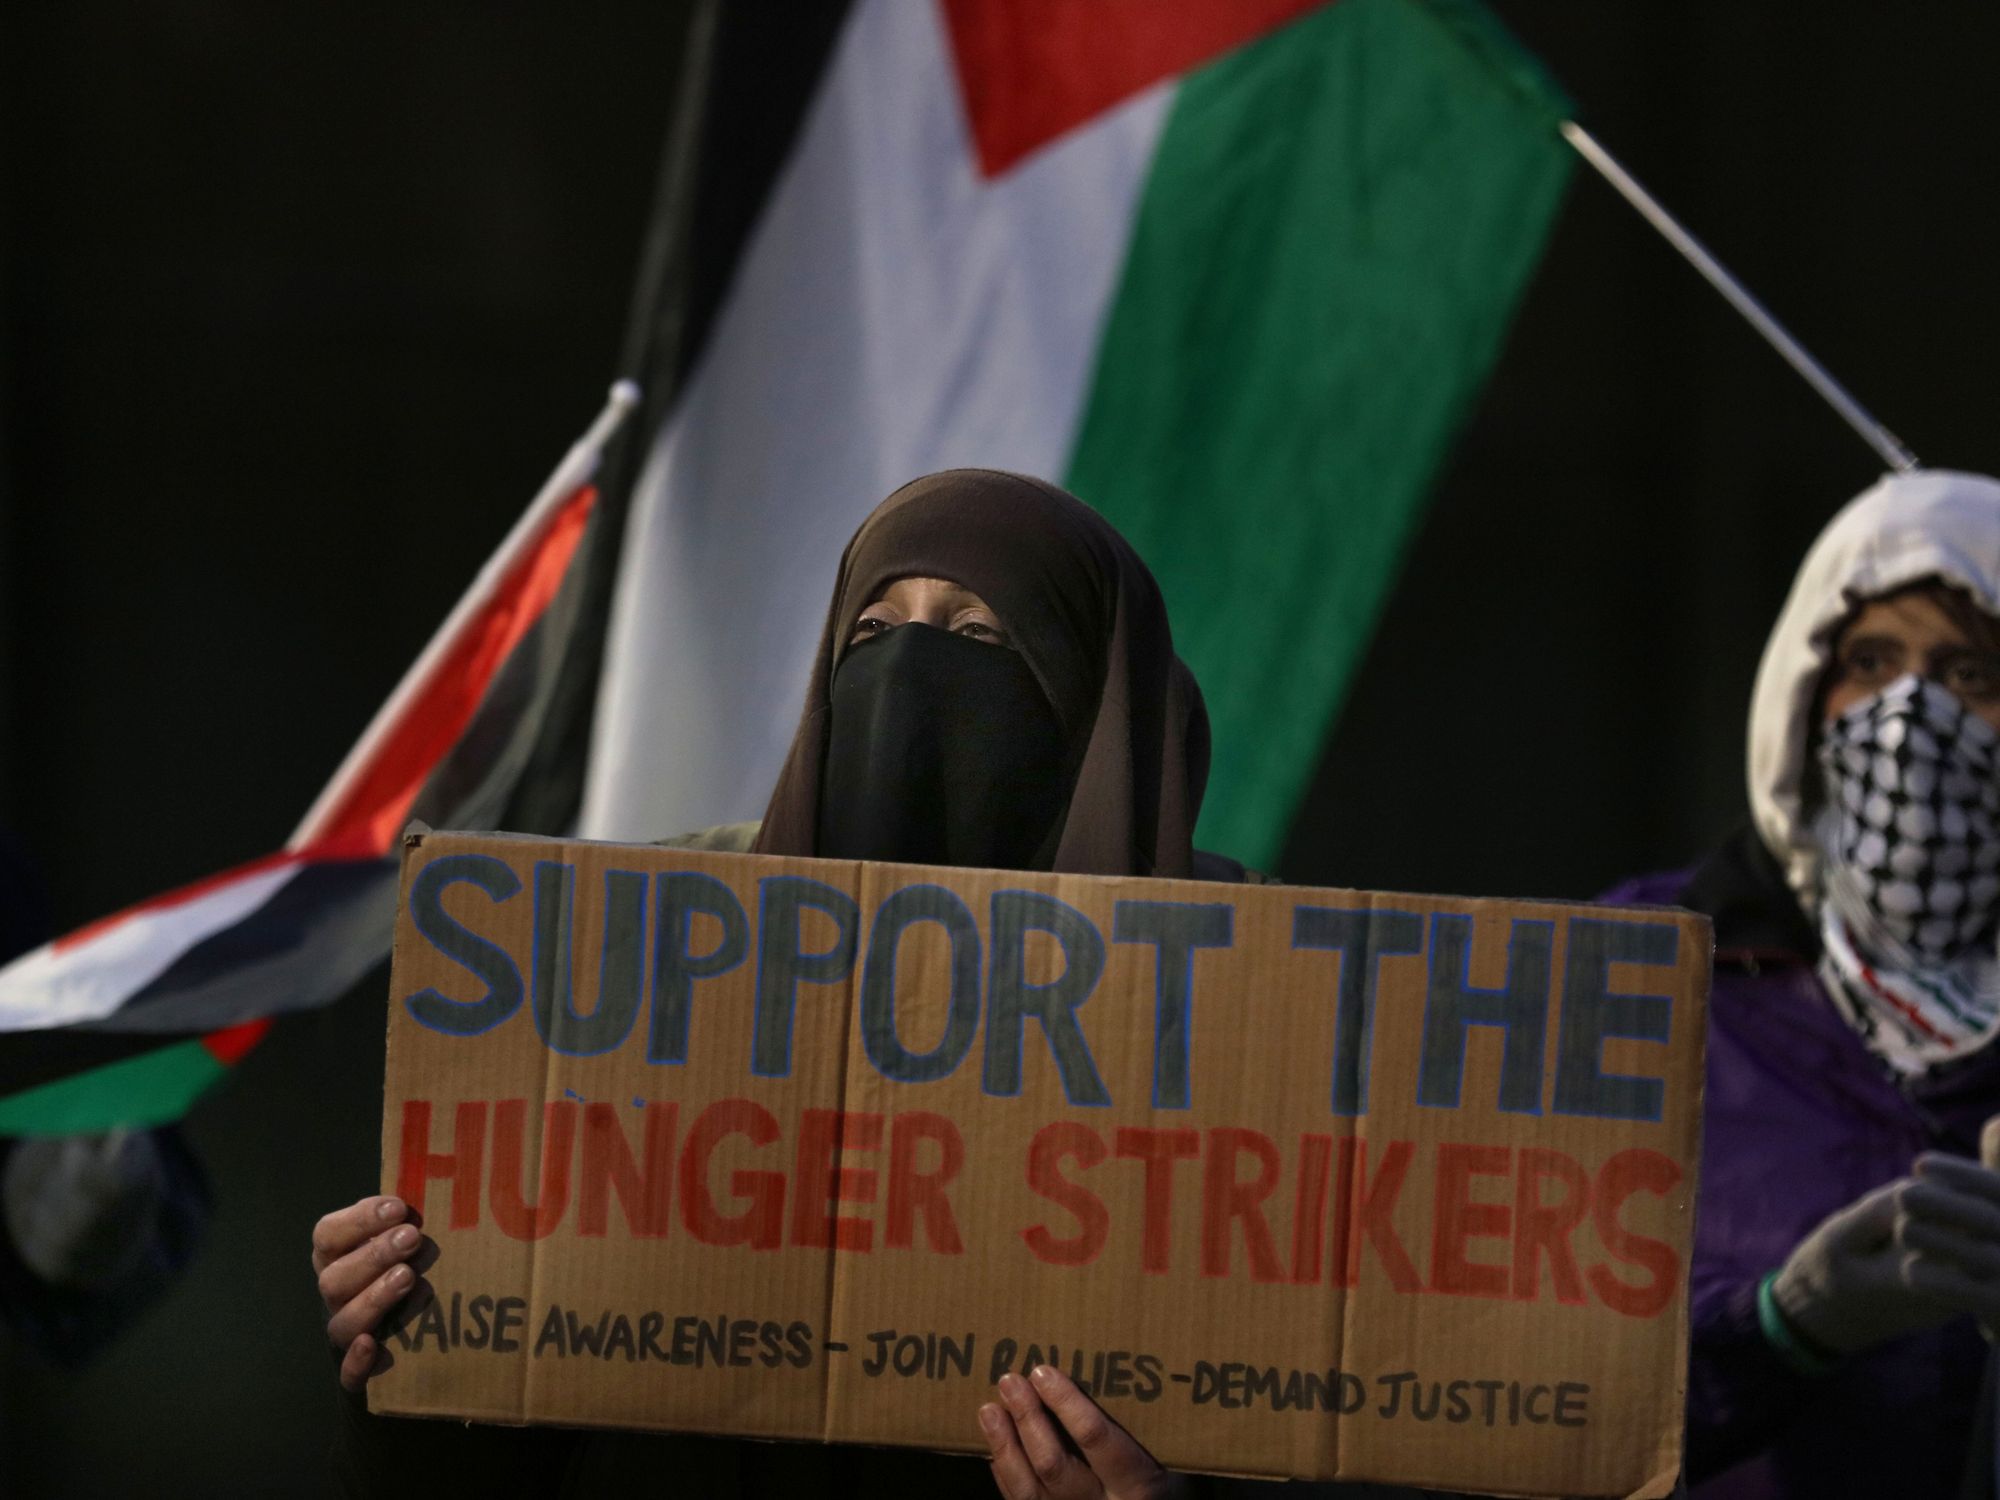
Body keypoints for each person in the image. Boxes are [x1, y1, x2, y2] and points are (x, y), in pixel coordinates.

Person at [311, 470, 1261, 1497]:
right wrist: (411, 1361)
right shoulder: (657, 960)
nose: (909, 672)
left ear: (1095, 704)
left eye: (981, 638)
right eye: (871, 634)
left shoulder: (1246, 1008)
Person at [1603, 469, 2000, 1498]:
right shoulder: (1641, 974)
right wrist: (1782, 1324)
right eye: (1870, 663)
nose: (1910, 718)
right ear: (1802, 690)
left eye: (1967, 675)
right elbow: (1527, 1383)